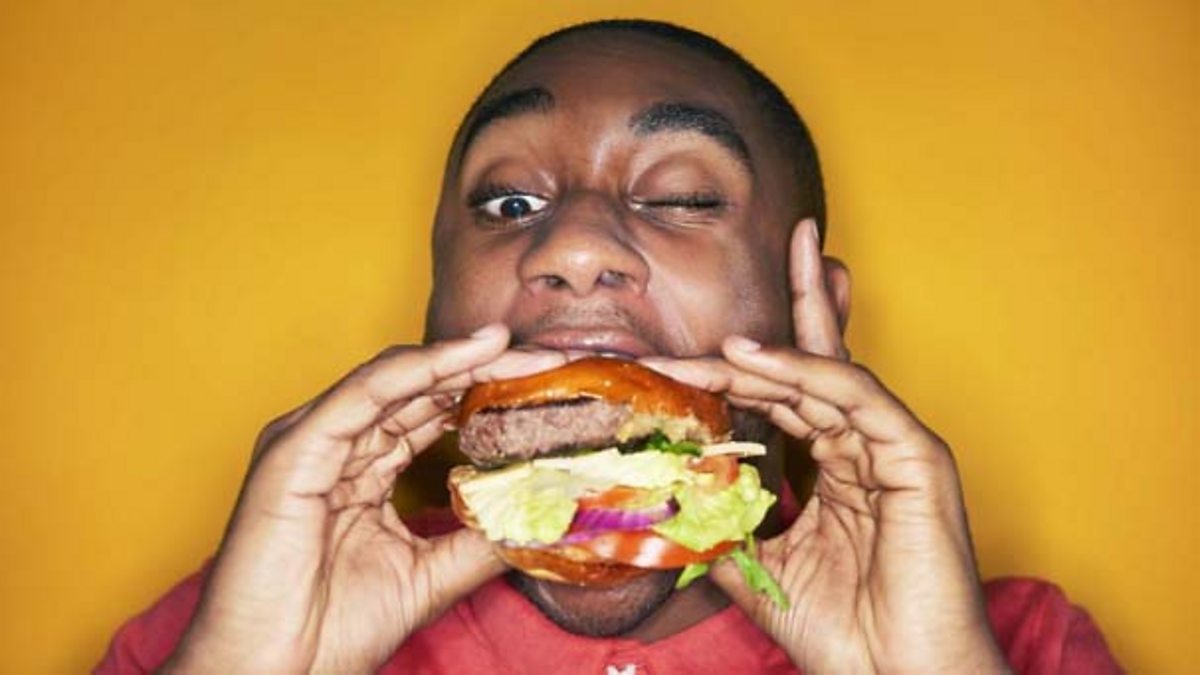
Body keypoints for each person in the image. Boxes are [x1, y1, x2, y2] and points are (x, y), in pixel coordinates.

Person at [97, 20, 1120, 674]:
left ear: (821, 317)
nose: (574, 248)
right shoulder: (215, 633)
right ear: (434, 315)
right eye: (508, 202)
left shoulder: (1028, 648)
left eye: (679, 197)